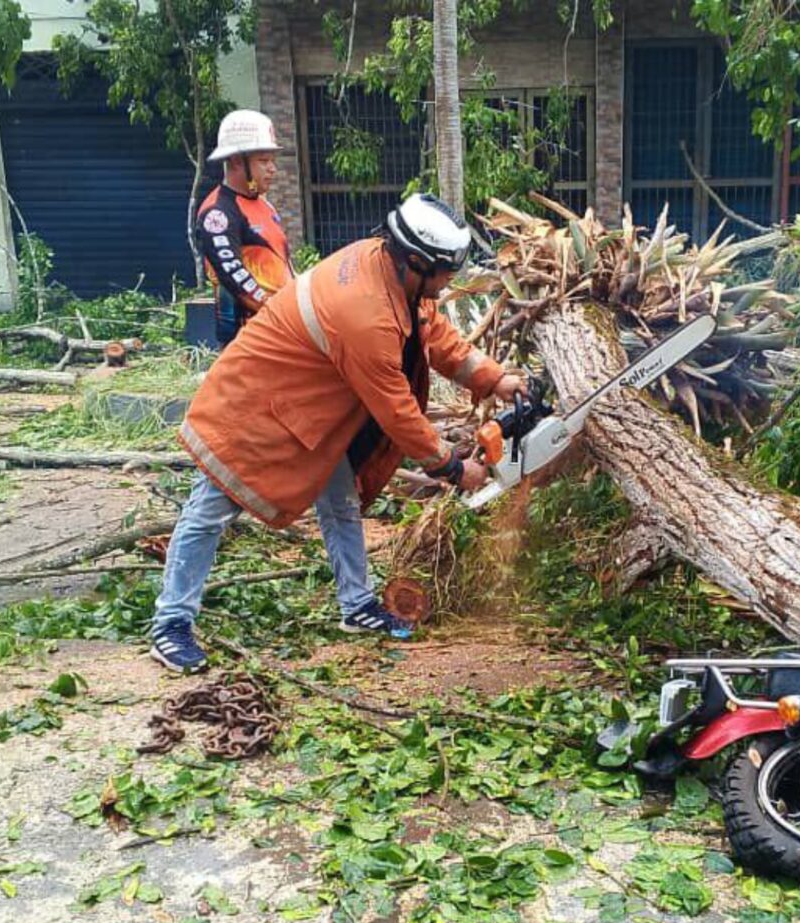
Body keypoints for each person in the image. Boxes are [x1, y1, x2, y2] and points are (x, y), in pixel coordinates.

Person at [149, 193, 526, 673]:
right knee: (210, 508)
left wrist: (494, 378)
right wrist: (452, 466)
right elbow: (396, 409)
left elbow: (435, 337)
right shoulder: (363, 311)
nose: (450, 281)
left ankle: (357, 605)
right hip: (254, 405)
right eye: (445, 272)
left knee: (340, 500)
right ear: (416, 261)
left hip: (313, 413)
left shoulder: (393, 274)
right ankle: (170, 624)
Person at [197, 109, 293, 348]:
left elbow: (281, 263)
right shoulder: (218, 214)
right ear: (237, 161)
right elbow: (234, 275)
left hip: (280, 330)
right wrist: (277, 311)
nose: (272, 169)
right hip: (249, 340)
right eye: (263, 161)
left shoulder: (263, 204)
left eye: (272, 160)